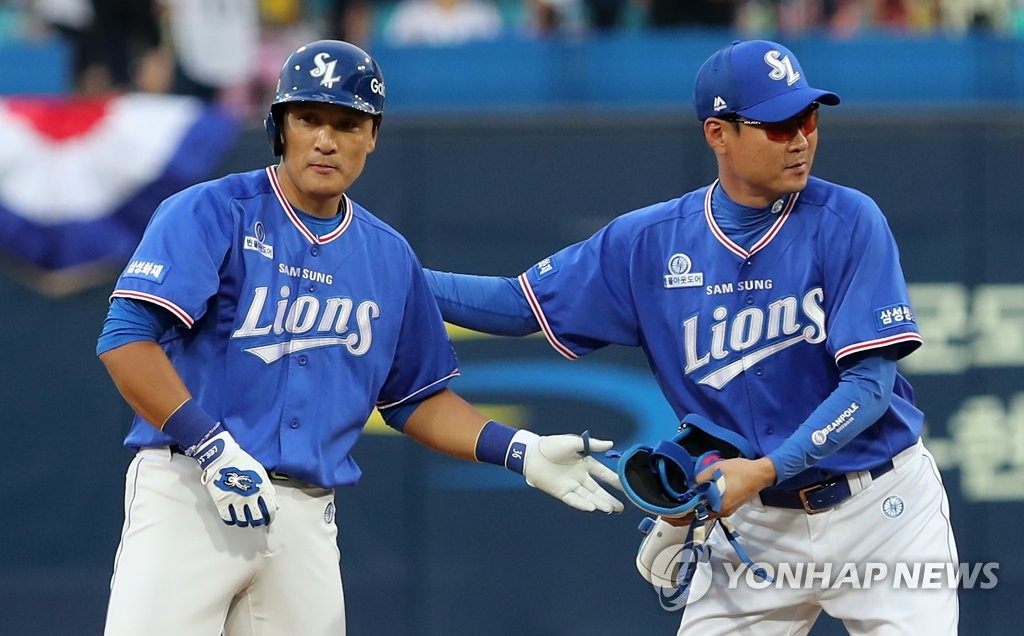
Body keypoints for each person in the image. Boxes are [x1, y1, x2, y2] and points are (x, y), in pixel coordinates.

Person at [424, 39, 959, 634]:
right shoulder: (648, 243)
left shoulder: (849, 219)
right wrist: (391, 275)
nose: (801, 138)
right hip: (752, 525)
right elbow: (514, 304)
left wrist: (766, 469)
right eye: (778, 124)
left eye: (808, 118)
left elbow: (869, 386)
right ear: (717, 133)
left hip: (881, 511)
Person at [96, 39, 622, 636]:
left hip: (304, 513)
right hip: (190, 490)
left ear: (372, 135)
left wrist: (517, 449)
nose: (326, 139)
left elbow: (413, 397)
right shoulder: (211, 212)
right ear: (279, 127)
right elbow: (126, 338)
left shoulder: (386, 255)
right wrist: (211, 445)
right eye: (308, 118)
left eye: (347, 123)